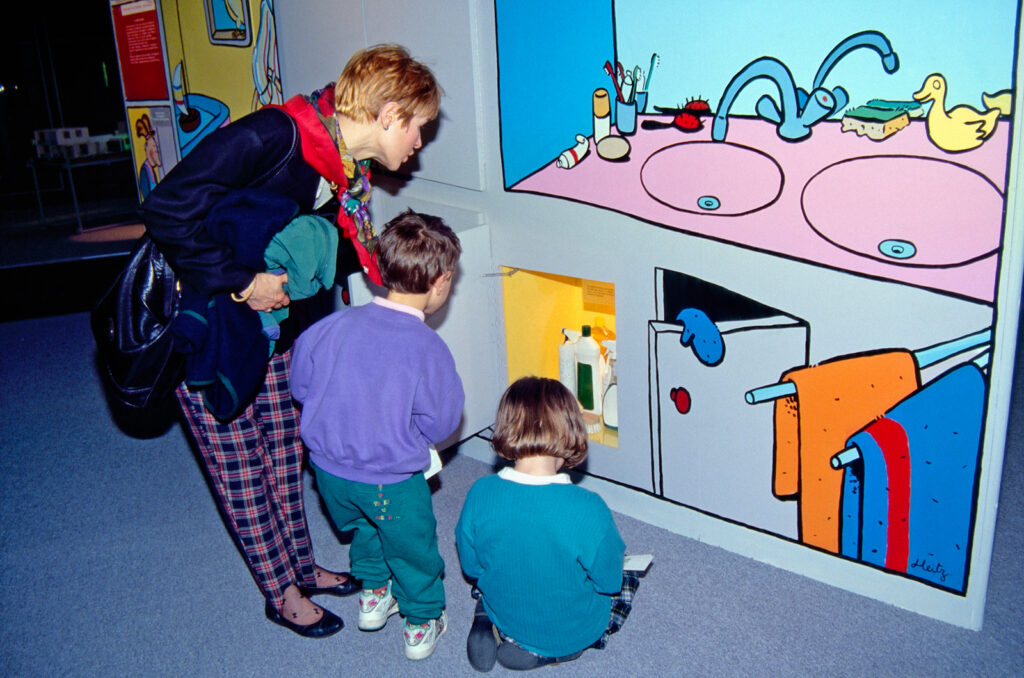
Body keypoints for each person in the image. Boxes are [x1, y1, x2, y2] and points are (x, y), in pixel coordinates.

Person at [139, 45, 442, 638]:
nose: (419, 143)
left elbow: (323, 246)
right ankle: (280, 592)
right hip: (205, 326)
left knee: (285, 448)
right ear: (388, 114)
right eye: (418, 127)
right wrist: (243, 282)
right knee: (240, 465)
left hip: (270, 325)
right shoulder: (274, 135)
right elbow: (166, 209)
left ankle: (300, 565)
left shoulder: (344, 168)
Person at [291, 210, 464, 660]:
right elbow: (443, 422)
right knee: (412, 546)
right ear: (441, 282)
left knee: (365, 527)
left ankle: (372, 594)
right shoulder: (428, 348)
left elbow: (301, 387)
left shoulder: (328, 327)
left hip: (328, 475)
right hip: (390, 481)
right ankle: (422, 621)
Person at [454, 377, 641, 671]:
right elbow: (608, 581)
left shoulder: (480, 493)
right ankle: (551, 653)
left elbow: (472, 567)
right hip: (572, 630)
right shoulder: (589, 509)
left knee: (496, 573)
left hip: (506, 606)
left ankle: (487, 618)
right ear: (570, 433)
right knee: (626, 580)